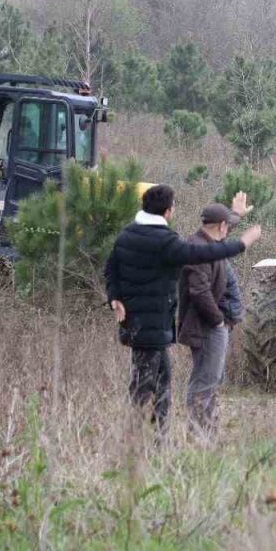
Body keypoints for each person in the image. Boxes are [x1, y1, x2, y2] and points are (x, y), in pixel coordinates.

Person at [104, 185, 260, 437]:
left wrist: (114, 296)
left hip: (140, 324)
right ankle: (133, 445)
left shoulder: (127, 235)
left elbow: (111, 267)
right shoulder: (163, 242)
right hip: (150, 327)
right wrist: (241, 244)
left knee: (161, 387)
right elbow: (203, 251)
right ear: (168, 211)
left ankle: (158, 442)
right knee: (144, 389)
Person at [178, 203, 249, 440]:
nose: (228, 229)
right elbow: (199, 291)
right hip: (207, 327)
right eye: (227, 225)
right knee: (205, 381)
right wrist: (218, 321)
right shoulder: (199, 250)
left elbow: (224, 229)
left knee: (210, 380)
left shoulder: (209, 243)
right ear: (221, 226)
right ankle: (198, 436)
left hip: (214, 326)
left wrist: (237, 215)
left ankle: (207, 432)